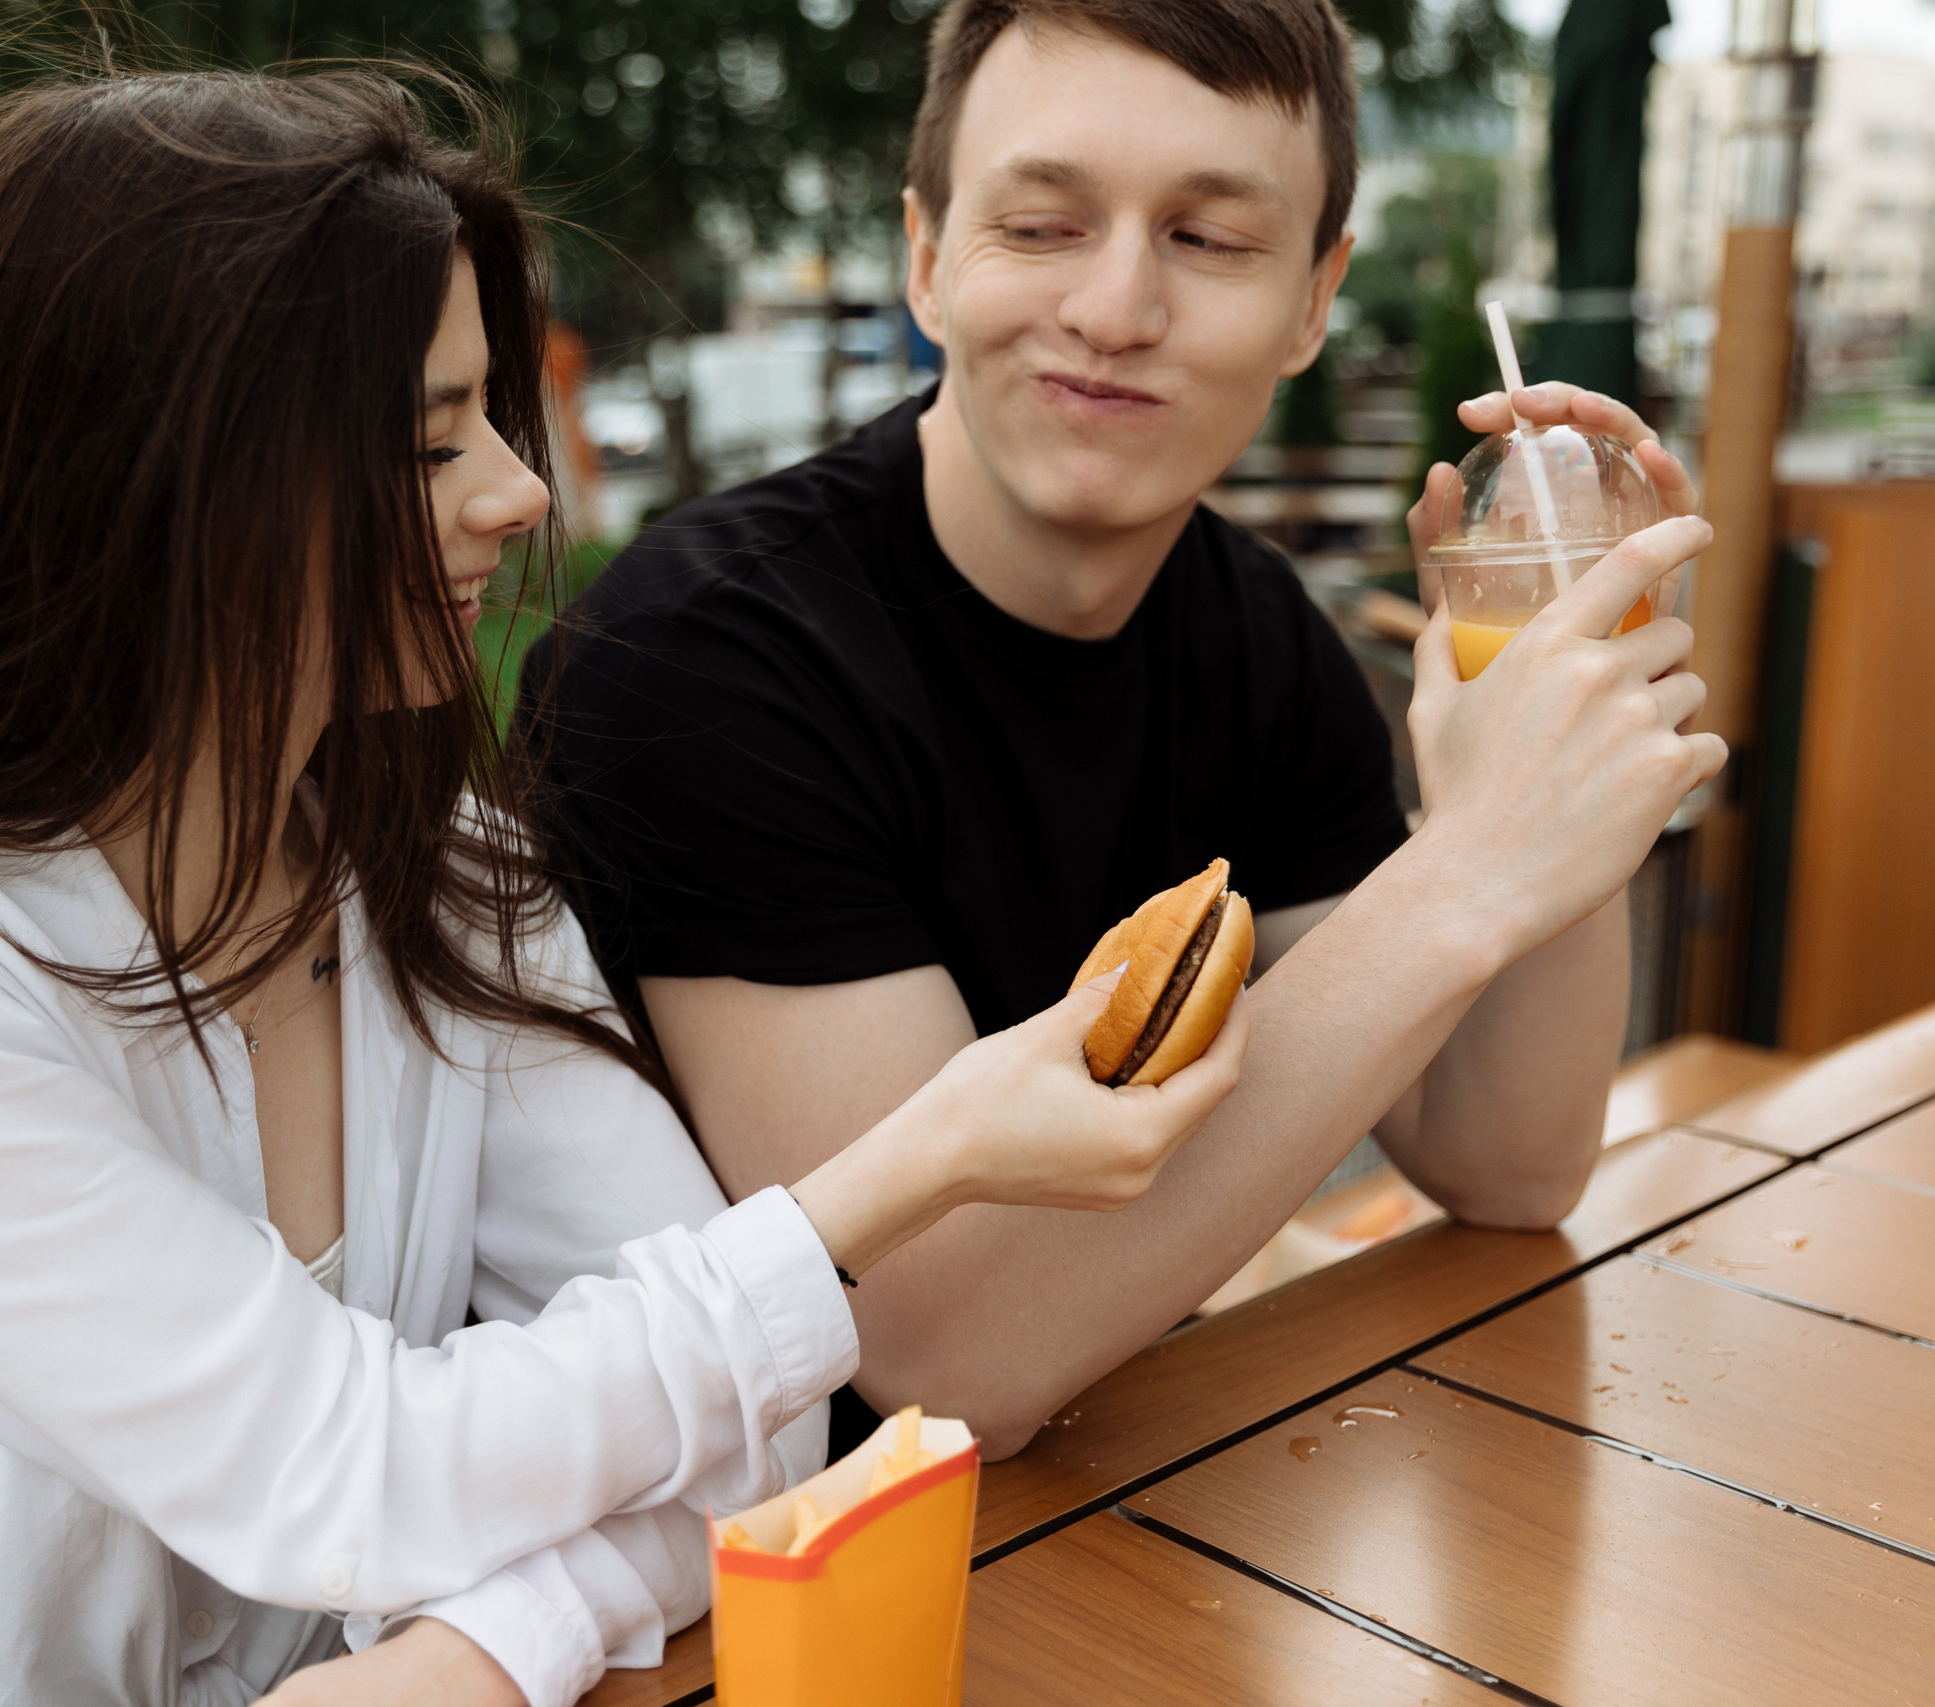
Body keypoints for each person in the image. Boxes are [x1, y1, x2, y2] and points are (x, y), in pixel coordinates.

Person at [0, 67, 1248, 1707]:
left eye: (488, 418)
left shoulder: (445, 876)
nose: (517, 491)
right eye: (427, 443)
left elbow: (748, 1434)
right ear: (151, 491)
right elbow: (364, 1473)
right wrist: (918, 1161)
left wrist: (478, 1653)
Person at [513, 0, 1727, 1463]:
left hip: (1122, 1503)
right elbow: (944, 1352)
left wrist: (1567, 724)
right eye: (1041, 226)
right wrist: (1465, 864)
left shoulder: (1258, 637)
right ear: (926, 256)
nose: (1114, 308)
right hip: (720, 1581)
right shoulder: (700, 653)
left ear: (1312, 301)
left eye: (1208, 239)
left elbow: (1508, 1161)